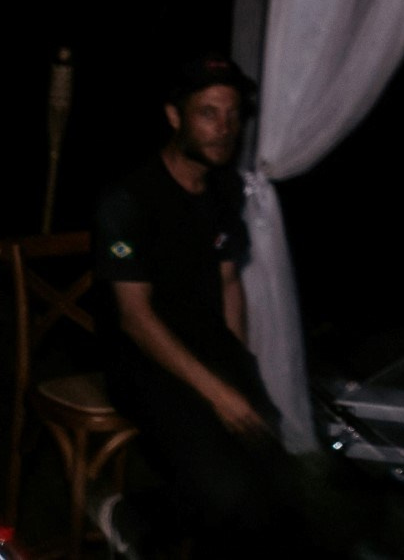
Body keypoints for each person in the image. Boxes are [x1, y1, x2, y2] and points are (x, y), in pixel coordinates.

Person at [90, 53, 339, 558]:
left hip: (209, 350)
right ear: (174, 115)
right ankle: (134, 514)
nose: (224, 128)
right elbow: (135, 319)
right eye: (208, 113)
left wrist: (239, 363)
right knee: (230, 495)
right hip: (145, 361)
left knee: (285, 489)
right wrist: (220, 394)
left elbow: (228, 281)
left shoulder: (223, 189)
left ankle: (145, 519)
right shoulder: (128, 199)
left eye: (232, 114)